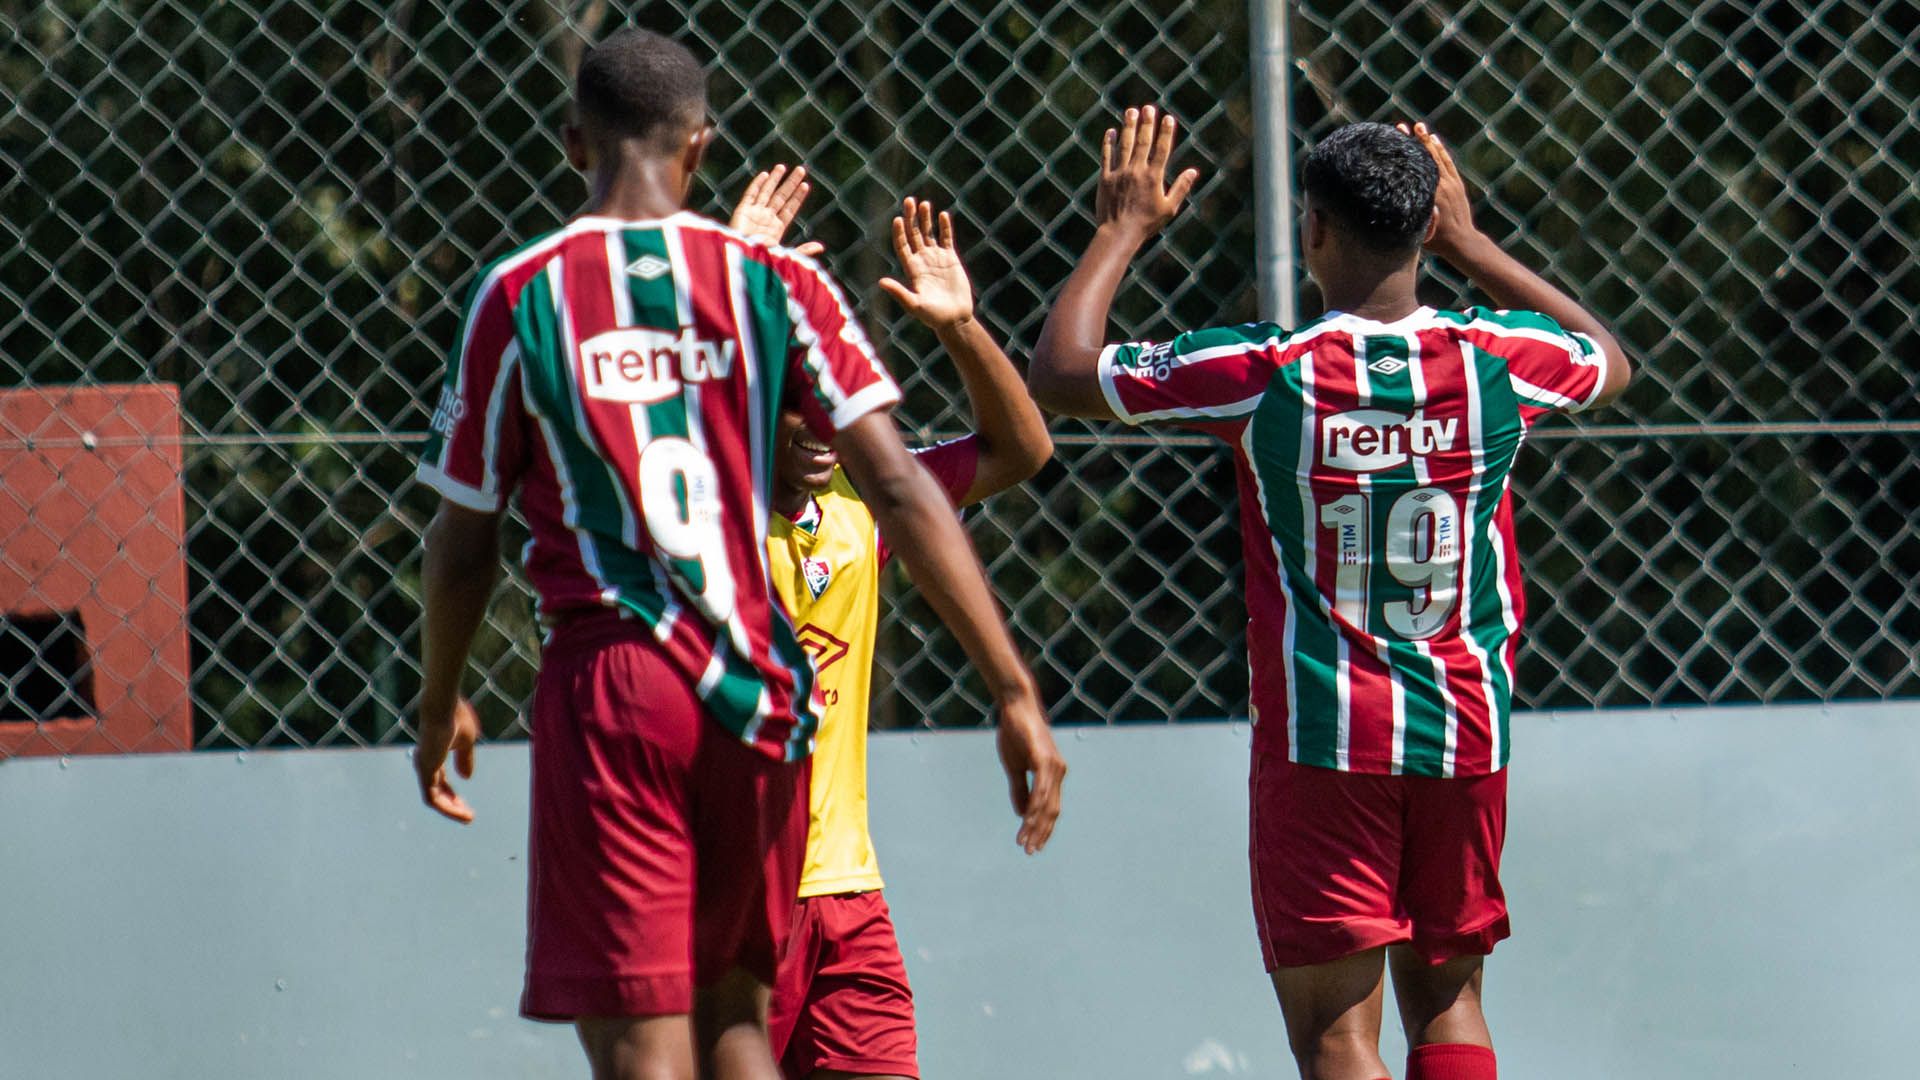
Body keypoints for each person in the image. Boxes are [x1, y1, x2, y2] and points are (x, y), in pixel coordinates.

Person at [409, 29, 1065, 1080]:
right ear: (703, 150)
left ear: (572, 140)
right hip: (754, 691)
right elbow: (899, 483)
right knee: (739, 1031)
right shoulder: (773, 286)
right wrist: (1011, 685)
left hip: (617, 677)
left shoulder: (520, 293)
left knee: (643, 1044)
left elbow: (461, 544)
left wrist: (439, 697)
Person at [1026, 109, 1630, 1080]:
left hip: (1327, 737)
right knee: (1451, 1004)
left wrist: (1123, 228)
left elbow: (1060, 373)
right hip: (1464, 726)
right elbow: (1607, 355)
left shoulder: (1267, 374)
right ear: (1427, 226)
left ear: (1312, 232)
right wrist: (1473, 245)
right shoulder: (1496, 362)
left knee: (1336, 1039)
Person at [726, 181, 1054, 1080]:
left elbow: (1019, 452)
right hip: (726, 896)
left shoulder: (865, 499)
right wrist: (721, 278)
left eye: (837, 399)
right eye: (800, 401)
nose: (825, 423)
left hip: (846, 892)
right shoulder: (701, 509)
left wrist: (959, 328)